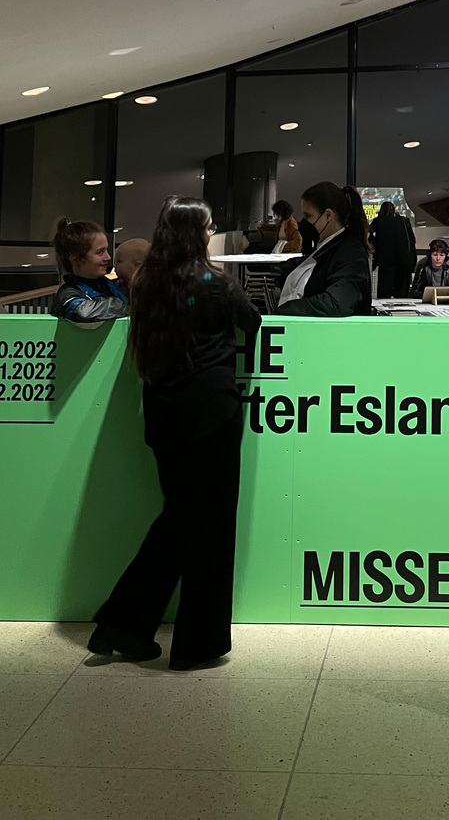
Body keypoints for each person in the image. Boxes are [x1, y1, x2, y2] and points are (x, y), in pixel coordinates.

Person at [89, 196, 262, 669]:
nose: (211, 233)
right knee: (210, 529)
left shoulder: (147, 283)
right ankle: (195, 643)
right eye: (208, 227)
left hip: (164, 417)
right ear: (194, 232)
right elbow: (252, 322)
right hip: (213, 416)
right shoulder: (217, 283)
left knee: (180, 518)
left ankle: (123, 625)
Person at [278, 183, 372, 316]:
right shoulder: (325, 245)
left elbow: (336, 303)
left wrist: (286, 309)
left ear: (328, 215)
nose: (303, 222)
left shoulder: (351, 253)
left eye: (308, 216)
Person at [52, 218, 128, 321]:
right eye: (100, 252)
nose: (108, 257)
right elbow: (84, 312)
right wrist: (130, 306)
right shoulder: (67, 294)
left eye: (107, 250)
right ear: (75, 258)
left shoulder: (109, 285)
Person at [370, 201, 417, 298]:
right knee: (401, 295)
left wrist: (375, 245)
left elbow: (368, 234)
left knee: (384, 293)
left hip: (385, 261)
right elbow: (412, 240)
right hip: (403, 262)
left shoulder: (378, 221)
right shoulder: (404, 221)